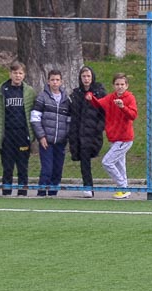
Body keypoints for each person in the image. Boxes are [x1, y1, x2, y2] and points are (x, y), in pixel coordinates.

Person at [86, 72, 137, 199]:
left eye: (122, 84)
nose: (119, 87)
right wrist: (91, 98)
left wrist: (122, 107)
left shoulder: (130, 98)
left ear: (127, 85)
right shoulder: (110, 98)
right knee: (120, 164)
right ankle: (123, 190)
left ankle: (123, 186)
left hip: (124, 138)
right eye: (117, 84)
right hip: (114, 137)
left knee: (107, 162)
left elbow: (133, 115)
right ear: (114, 85)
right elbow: (98, 104)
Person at [0, 60, 36, 196]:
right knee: (7, 167)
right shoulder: (2, 90)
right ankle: (6, 193)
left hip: (22, 134)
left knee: (23, 166)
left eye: (20, 73)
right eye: (15, 73)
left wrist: (31, 134)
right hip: (7, 135)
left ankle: (22, 193)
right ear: (10, 74)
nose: (17, 76)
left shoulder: (28, 92)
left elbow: (34, 112)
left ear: (24, 75)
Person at [30, 69, 70, 197]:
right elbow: (35, 118)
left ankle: (53, 194)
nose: (55, 82)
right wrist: (41, 136)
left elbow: (69, 120)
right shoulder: (42, 97)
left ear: (61, 81)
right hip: (46, 141)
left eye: (57, 80)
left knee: (57, 170)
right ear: (48, 81)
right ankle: (41, 193)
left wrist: (66, 137)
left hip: (60, 142)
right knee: (47, 169)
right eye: (52, 80)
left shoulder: (66, 100)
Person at [68, 65, 106, 198]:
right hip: (80, 132)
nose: (86, 79)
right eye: (83, 76)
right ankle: (88, 186)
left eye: (88, 76)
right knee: (84, 160)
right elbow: (72, 114)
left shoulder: (99, 92)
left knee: (94, 158)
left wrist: (99, 128)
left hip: (93, 132)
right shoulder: (76, 94)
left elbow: (104, 111)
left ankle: (121, 185)